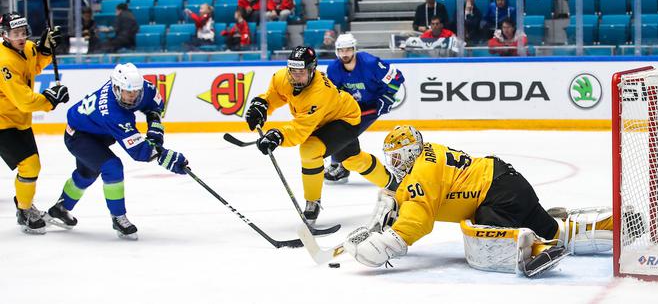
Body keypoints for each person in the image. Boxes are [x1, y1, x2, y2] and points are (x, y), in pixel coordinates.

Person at [342, 126, 629, 275]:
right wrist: (392, 205)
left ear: (408, 153)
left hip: (497, 197)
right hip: (511, 185)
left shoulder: (422, 172)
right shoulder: (429, 152)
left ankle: (535, 248)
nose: (393, 164)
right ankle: (615, 223)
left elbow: (418, 219)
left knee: (482, 239)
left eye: (396, 158)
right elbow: (414, 196)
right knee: (557, 231)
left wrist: (384, 244)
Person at [244, 46, 397, 223]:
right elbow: (276, 94)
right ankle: (392, 182)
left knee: (310, 150)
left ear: (312, 70)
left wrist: (277, 135)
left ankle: (312, 204)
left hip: (344, 119)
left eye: (301, 72)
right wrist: (262, 104)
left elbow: (300, 131)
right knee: (352, 159)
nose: (295, 76)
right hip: (321, 120)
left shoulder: (318, 92)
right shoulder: (281, 77)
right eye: (292, 71)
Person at [46, 63, 188, 240]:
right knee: (112, 167)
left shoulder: (144, 87)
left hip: (99, 132)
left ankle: (60, 208)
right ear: (116, 88)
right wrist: (166, 157)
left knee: (86, 174)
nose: (133, 96)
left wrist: (155, 137)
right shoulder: (112, 112)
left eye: (136, 92)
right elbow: (139, 152)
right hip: (79, 136)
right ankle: (118, 217)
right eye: (129, 92)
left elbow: (155, 108)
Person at [0, 13, 70, 234]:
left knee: (32, 167)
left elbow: (34, 66)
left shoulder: (28, 47)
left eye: (23, 32)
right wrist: (50, 100)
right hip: (3, 123)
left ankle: (23, 204)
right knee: (30, 165)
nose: (21, 37)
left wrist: (47, 51)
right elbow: (24, 101)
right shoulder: (4, 62)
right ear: (4, 35)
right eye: (15, 34)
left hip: (19, 121)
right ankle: (24, 210)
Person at [324, 33, 405, 183]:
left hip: (373, 104)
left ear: (354, 49)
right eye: (341, 50)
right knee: (337, 128)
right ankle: (340, 163)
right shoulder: (334, 69)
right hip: (351, 106)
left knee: (345, 132)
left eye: (348, 50)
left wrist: (387, 98)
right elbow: (334, 91)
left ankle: (340, 166)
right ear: (337, 51)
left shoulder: (370, 63)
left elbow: (397, 78)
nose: (345, 54)